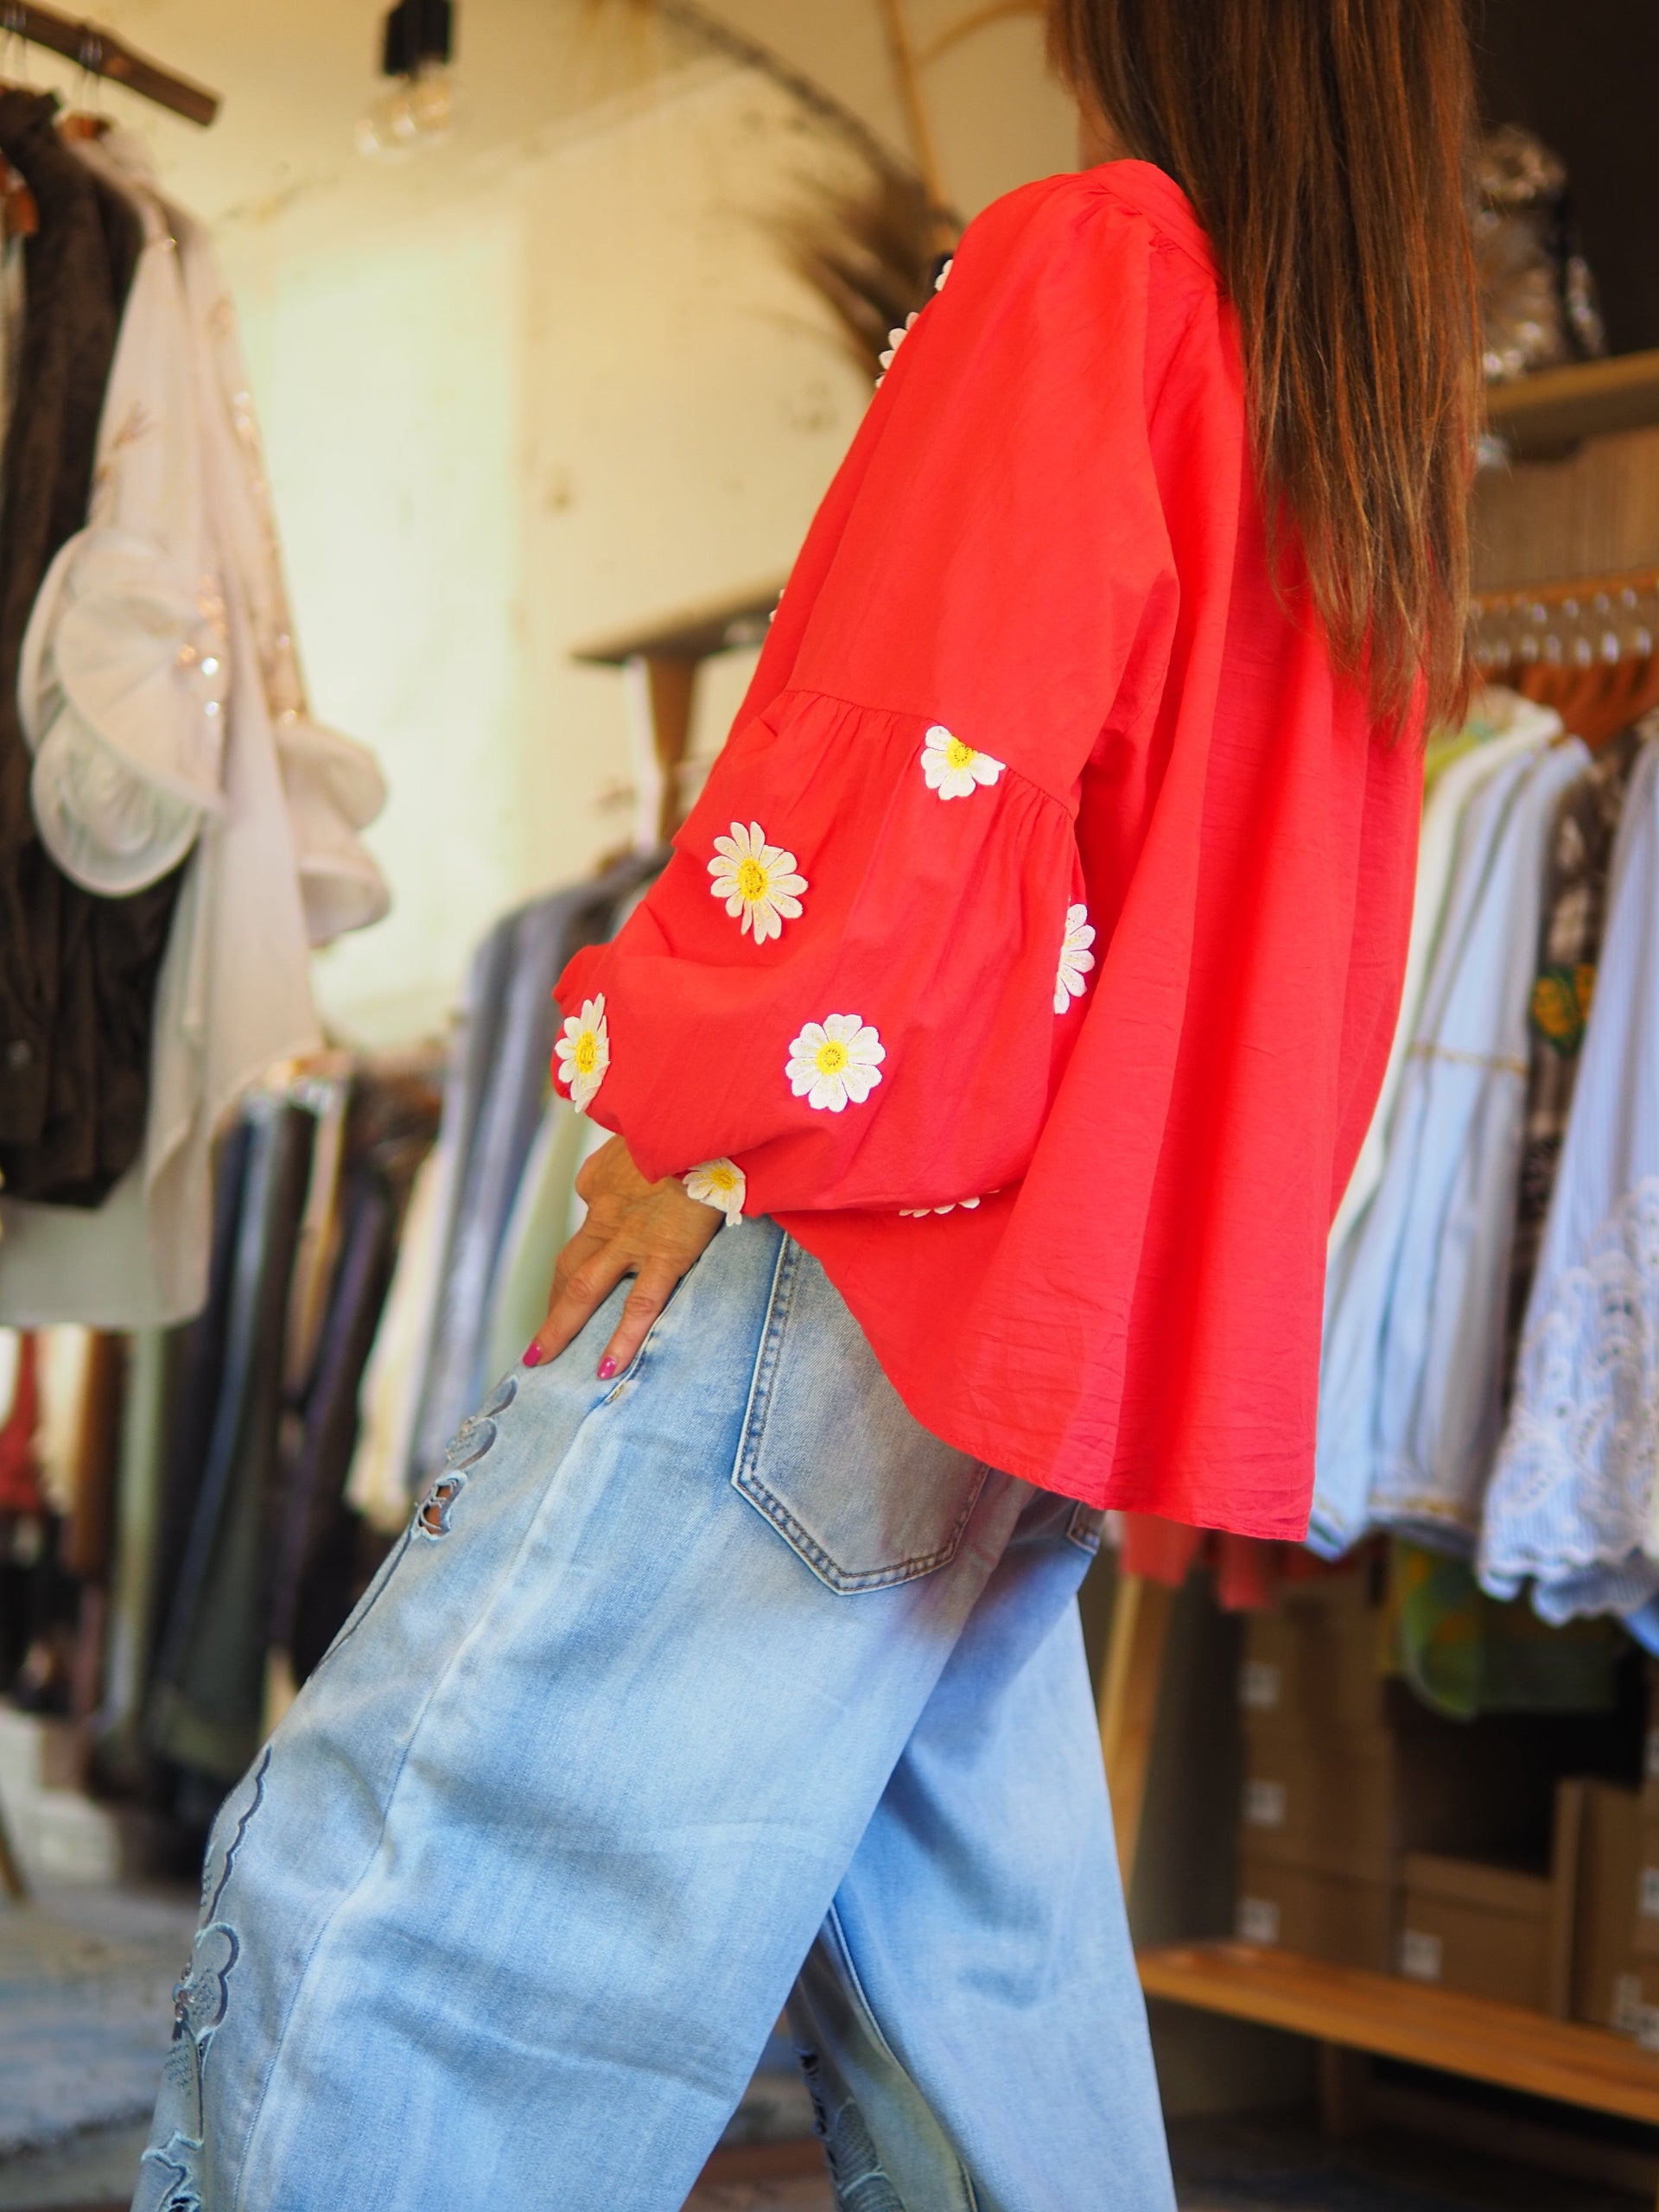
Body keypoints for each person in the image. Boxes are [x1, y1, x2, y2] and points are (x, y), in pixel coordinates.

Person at [136, 2, 1479, 2205]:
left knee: (405, 1923)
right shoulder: (1339, 385)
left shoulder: (1096, 257)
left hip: (841, 1245)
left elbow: (923, 754)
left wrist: (679, 1103)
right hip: (1024, 1325)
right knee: (979, 1992)